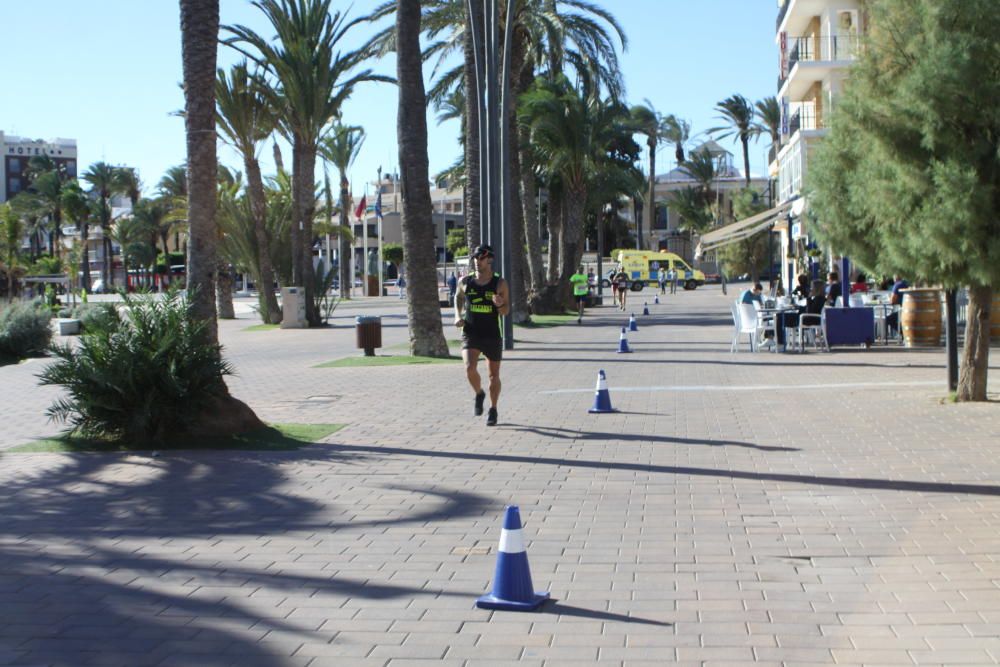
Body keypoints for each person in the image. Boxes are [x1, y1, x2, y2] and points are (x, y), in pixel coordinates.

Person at [454, 244, 509, 426]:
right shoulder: (466, 281)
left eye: (481, 258)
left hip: (492, 333)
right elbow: (458, 296)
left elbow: (506, 311)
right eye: (475, 258)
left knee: (494, 376)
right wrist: (457, 315)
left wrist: (500, 304)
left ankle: (493, 409)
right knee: (469, 368)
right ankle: (479, 393)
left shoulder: (499, 283)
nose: (478, 262)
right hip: (471, 332)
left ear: (489, 259)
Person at [885, 274, 909, 339]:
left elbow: (892, 300)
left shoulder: (897, 285)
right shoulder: (907, 283)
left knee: (888, 319)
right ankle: (905, 333)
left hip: (905, 311)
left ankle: (904, 334)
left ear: (894, 278)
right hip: (911, 309)